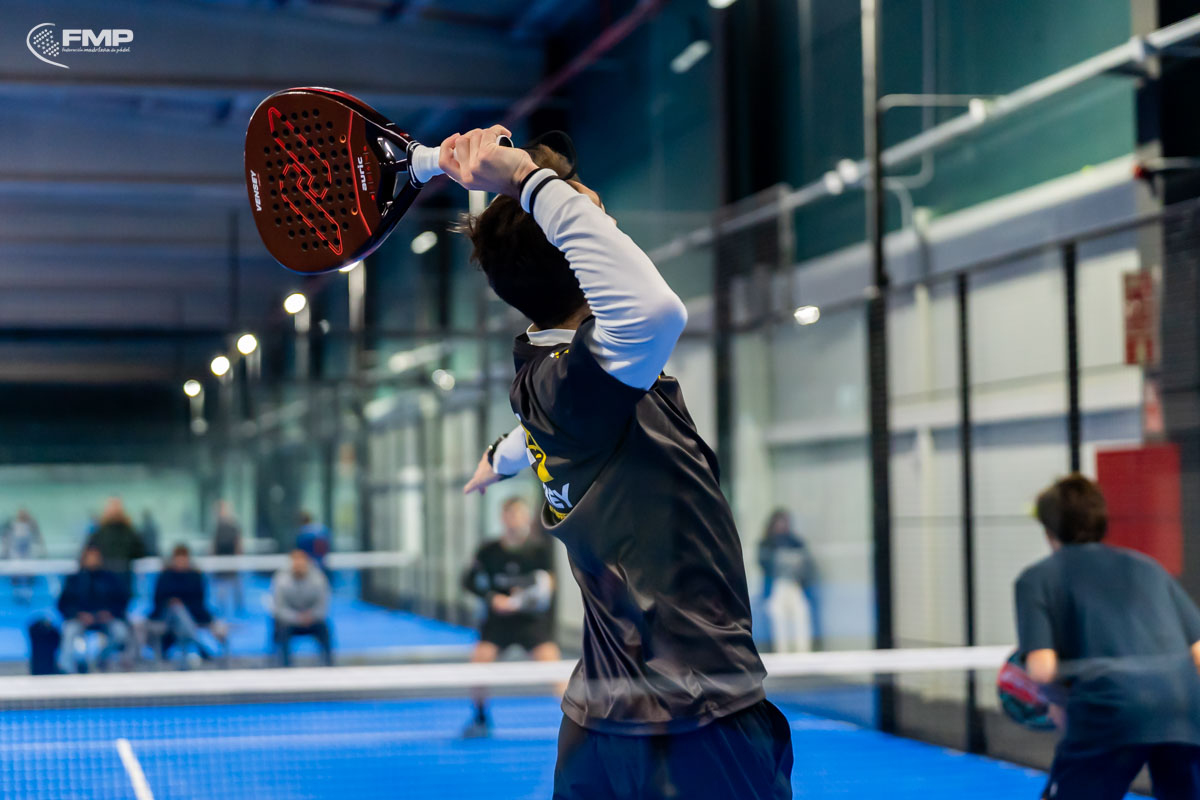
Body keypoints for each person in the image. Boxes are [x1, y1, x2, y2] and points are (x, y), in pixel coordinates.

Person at [452, 129, 791, 798]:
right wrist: (524, 178)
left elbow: (542, 428)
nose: (604, 222)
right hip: (694, 714)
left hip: (603, 717)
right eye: (589, 214)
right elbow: (657, 310)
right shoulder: (587, 373)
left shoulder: (547, 374)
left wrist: (503, 455)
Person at [1014, 474, 1200, 800]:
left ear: (1048, 530)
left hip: (1108, 708)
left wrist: (1059, 698)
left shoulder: (1036, 578)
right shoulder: (1149, 567)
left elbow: (1042, 670)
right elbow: (1198, 653)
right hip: (1186, 707)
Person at [461, 496, 560, 737]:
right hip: (498, 623)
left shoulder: (539, 551)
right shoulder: (488, 551)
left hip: (530, 622)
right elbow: (468, 581)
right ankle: (480, 719)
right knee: (478, 664)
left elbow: (549, 585)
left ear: (527, 518)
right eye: (510, 515)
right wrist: (492, 598)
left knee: (557, 671)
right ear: (503, 518)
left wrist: (521, 601)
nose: (515, 520)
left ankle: (580, 723)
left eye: (520, 515)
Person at [57, 545, 131, 673]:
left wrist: (110, 613)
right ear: (83, 559)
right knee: (69, 630)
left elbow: (122, 600)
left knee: (121, 633)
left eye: (95, 557)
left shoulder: (110, 578)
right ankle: (66, 669)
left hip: (106, 619)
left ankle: (101, 659)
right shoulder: (74, 579)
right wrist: (78, 614)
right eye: (90, 557)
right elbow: (63, 604)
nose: (93, 560)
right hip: (80, 619)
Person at [150, 544, 225, 665]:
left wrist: (183, 604)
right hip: (167, 615)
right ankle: (199, 645)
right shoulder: (165, 576)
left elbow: (200, 601)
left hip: (191, 615)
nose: (181, 562)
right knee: (176, 608)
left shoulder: (195, 576)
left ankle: (186, 656)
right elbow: (157, 599)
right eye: (178, 559)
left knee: (181, 618)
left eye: (183, 559)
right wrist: (172, 602)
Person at [758, 509, 816, 653]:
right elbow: (766, 565)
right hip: (777, 586)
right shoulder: (767, 544)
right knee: (778, 619)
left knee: (801, 615)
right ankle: (781, 651)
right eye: (779, 522)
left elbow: (806, 565)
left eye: (784, 522)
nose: (782, 526)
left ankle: (803, 651)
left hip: (795, 586)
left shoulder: (796, 542)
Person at [271, 549, 332, 667]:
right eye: (296, 564)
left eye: (301, 564)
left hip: (312, 620)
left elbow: (323, 606)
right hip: (289, 622)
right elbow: (278, 608)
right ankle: (285, 667)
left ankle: (329, 665)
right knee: (281, 628)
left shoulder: (319, 579)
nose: (298, 567)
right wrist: (297, 618)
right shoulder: (281, 580)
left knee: (324, 628)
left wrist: (311, 616)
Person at [86, 497, 146, 595]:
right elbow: (88, 555)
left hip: (120, 579)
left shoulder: (129, 532)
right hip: (105, 580)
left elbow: (140, 552)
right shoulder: (99, 533)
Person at [2, 509, 45, 604]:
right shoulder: (12, 526)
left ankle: (26, 594)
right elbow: (6, 542)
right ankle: (18, 594)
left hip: (26, 557)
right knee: (17, 577)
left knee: (26, 577)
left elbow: (38, 540)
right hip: (15, 556)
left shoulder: (31, 526)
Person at [211, 500, 244, 616]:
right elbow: (214, 544)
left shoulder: (234, 526)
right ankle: (222, 609)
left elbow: (238, 543)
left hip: (232, 561)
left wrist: (237, 559)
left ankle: (239, 608)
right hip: (220, 562)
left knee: (236, 585)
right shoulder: (217, 527)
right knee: (221, 587)